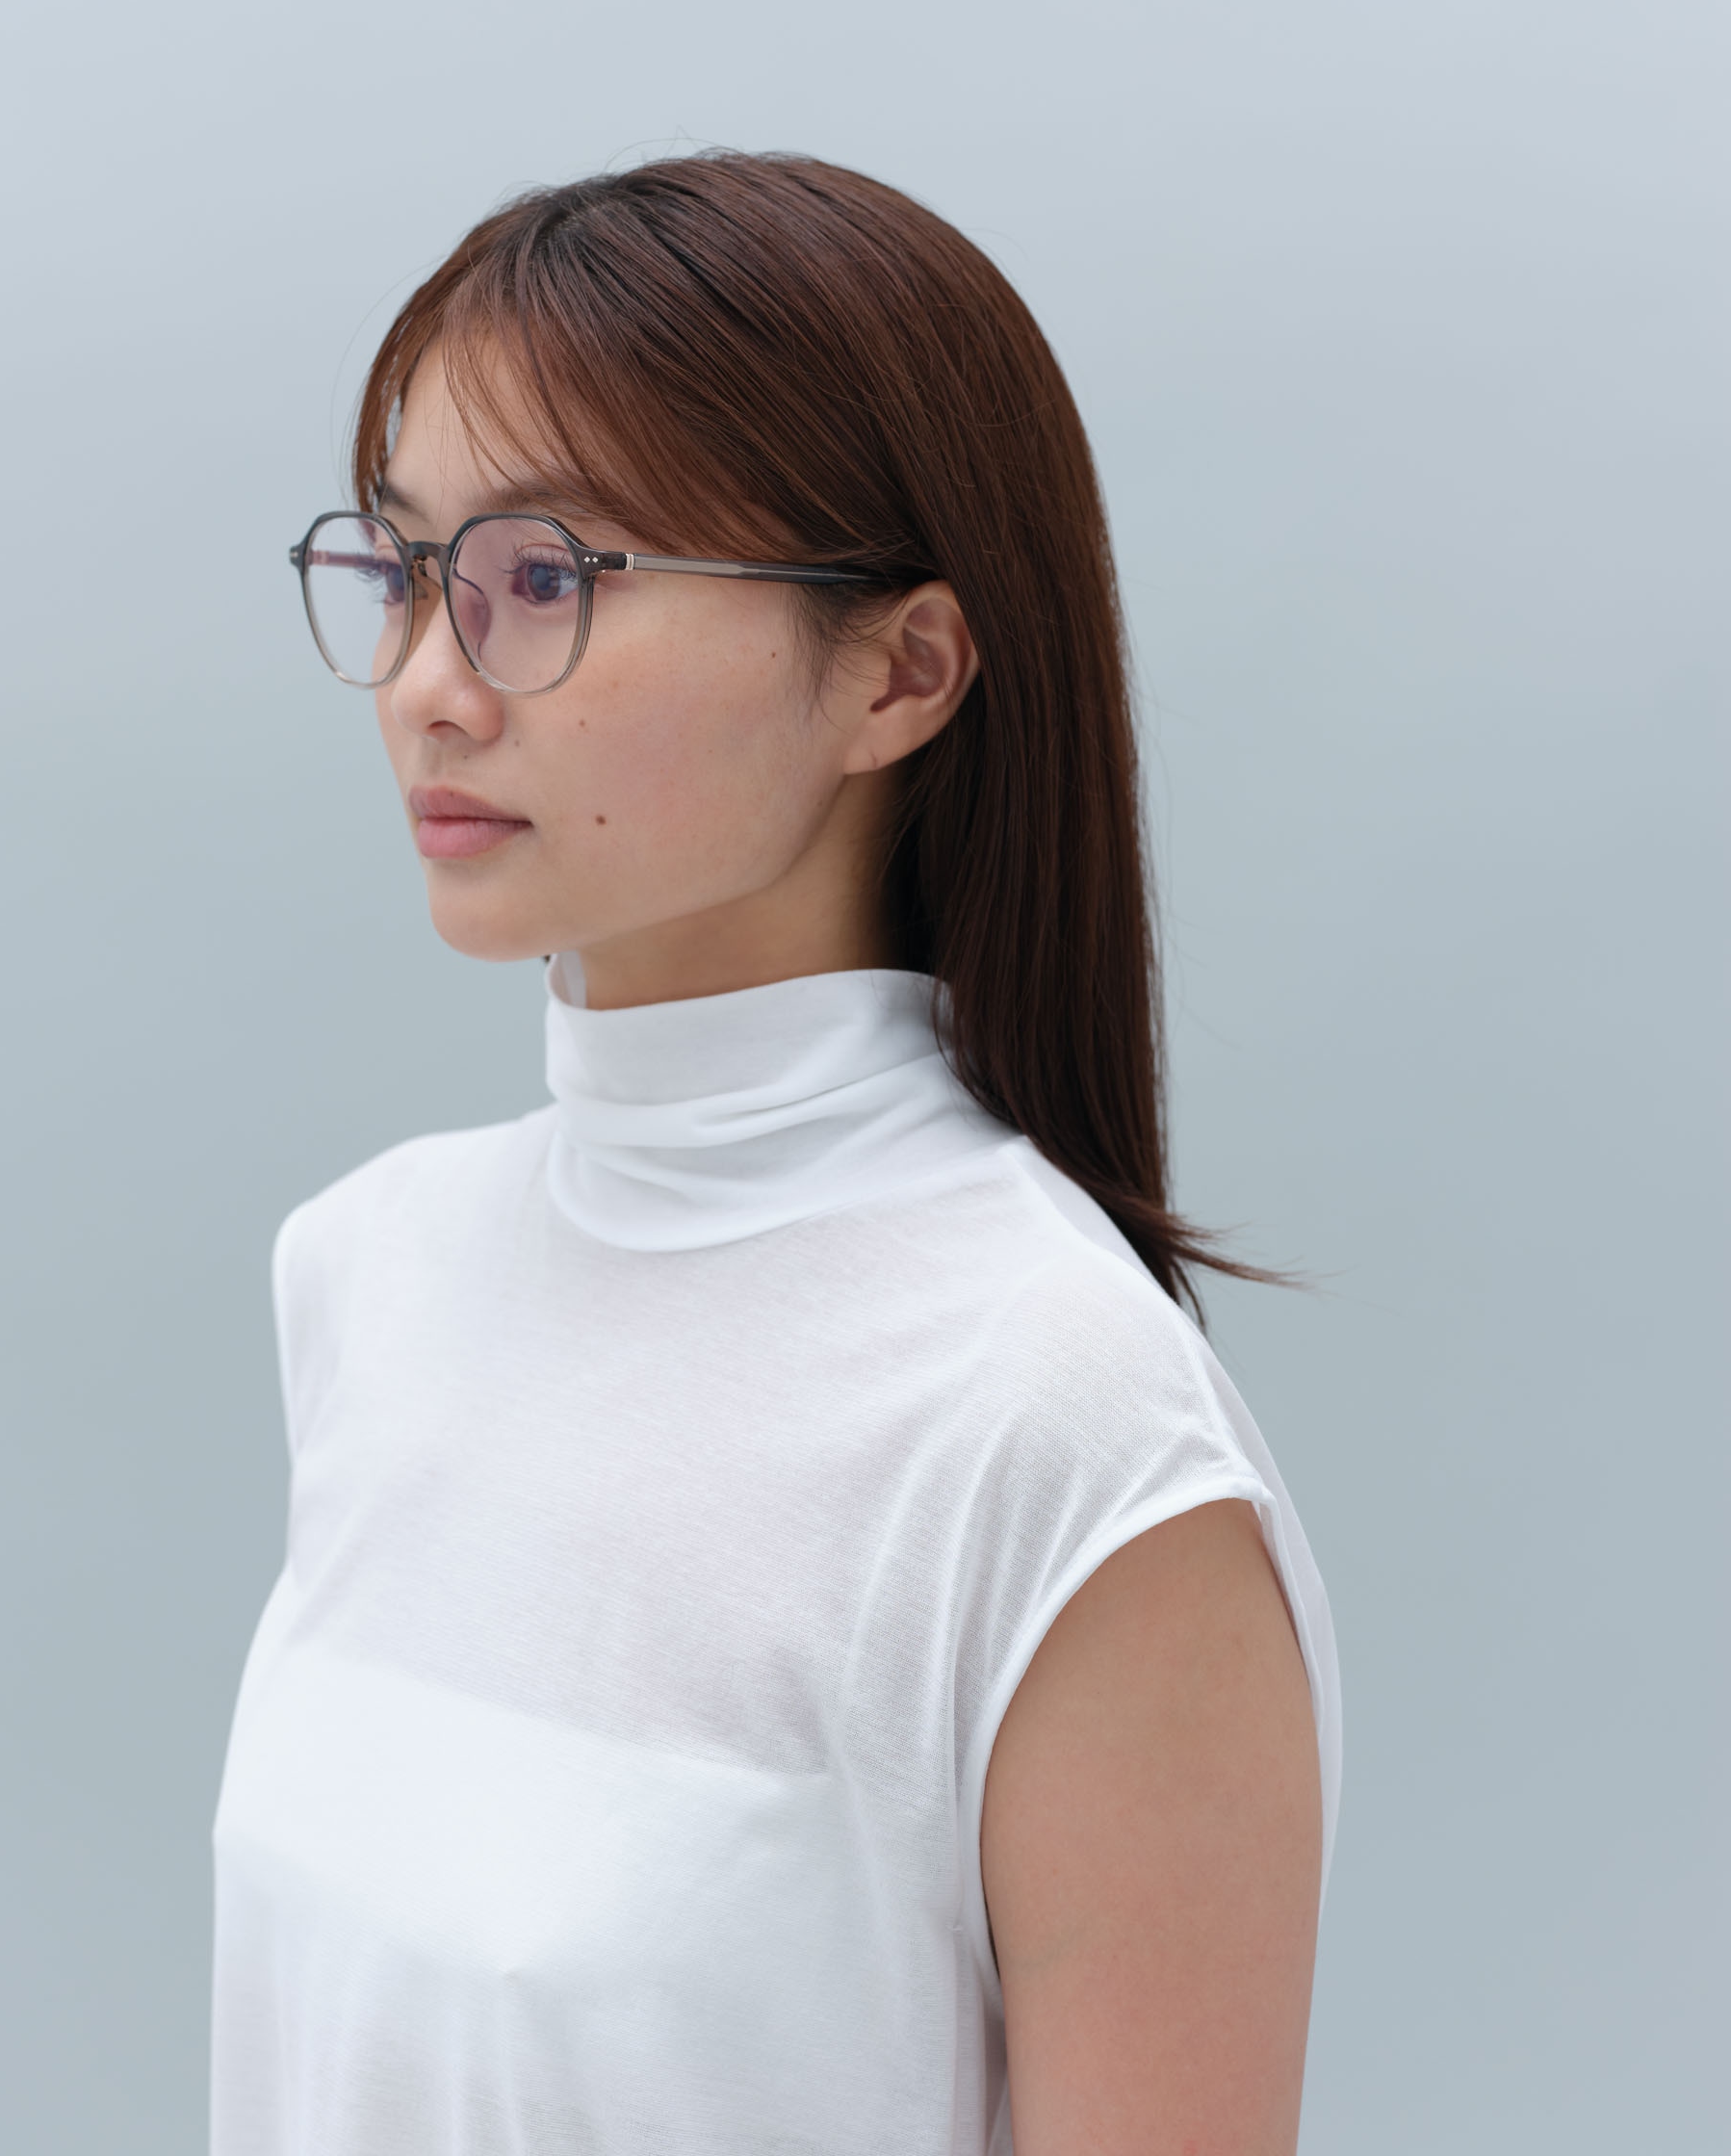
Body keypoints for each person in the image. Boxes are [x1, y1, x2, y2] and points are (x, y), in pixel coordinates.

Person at [211, 151, 1338, 2156]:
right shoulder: (369, 1273)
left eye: (544, 578)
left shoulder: (1064, 1440)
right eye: (401, 569)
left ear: (899, 673)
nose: (428, 687)